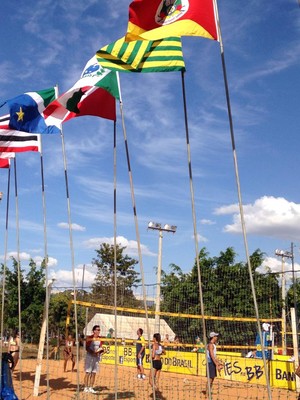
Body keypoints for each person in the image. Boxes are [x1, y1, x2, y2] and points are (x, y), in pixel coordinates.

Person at [83, 325, 106, 394]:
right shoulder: (90, 338)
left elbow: (101, 348)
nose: (98, 331)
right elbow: (87, 348)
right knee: (88, 372)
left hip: (96, 357)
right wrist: (92, 353)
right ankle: (86, 387)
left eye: (99, 330)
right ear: (94, 331)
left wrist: (102, 351)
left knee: (94, 373)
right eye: (97, 330)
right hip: (90, 357)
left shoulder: (100, 339)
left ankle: (91, 387)